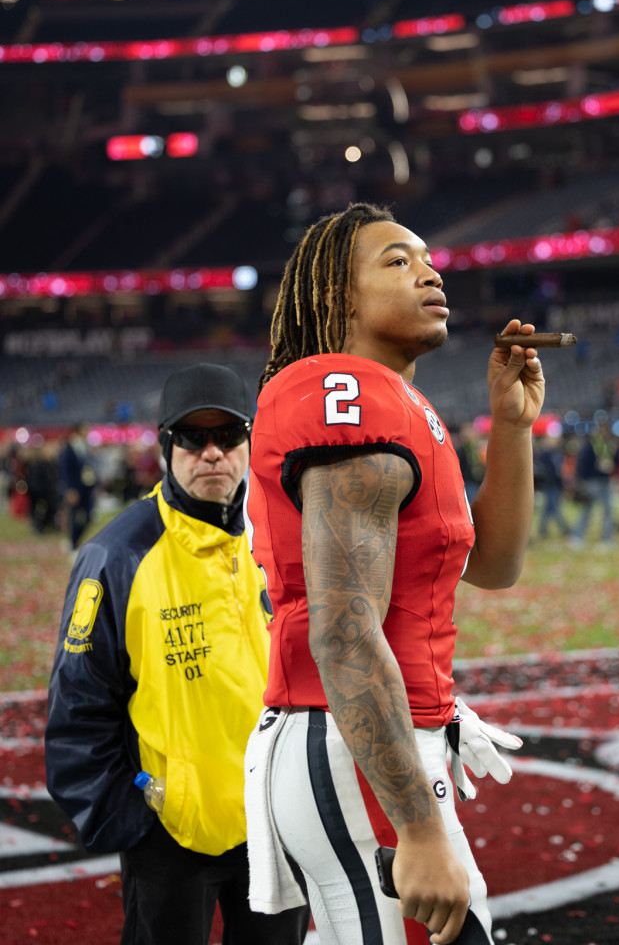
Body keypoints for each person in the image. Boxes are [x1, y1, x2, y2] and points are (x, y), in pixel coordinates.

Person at [244, 202, 545, 945]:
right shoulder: (343, 391)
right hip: (353, 739)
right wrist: (417, 825)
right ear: (337, 299)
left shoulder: (398, 400)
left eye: (426, 256)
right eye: (397, 261)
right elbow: (344, 631)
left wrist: (511, 426)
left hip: (366, 737)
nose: (429, 269)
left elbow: (495, 565)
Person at [45, 363, 309, 945]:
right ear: (167, 446)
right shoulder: (116, 557)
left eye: (228, 436)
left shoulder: (285, 537)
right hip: (168, 837)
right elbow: (78, 709)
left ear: (250, 442)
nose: (212, 452)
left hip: (277, 827)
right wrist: (136, 821)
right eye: (193, 436)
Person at [569, 423, 617, 548]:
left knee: (607, 510)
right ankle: (577, 536)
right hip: (592, 481)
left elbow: (616, 460)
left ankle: (607, 538)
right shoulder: (591, 445)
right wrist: (582, 481)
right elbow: (582, 463)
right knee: (587, 510)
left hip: (605, 480)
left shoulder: (610, 445)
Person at [57, 421, 97, 551]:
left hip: (87, 487)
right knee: (75, 516)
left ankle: (76, 540)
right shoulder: (70, 448)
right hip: (75, 488)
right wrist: (70, 489)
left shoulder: (85, 446)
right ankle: (73, 543)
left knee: (88, 516)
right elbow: (66, 470)